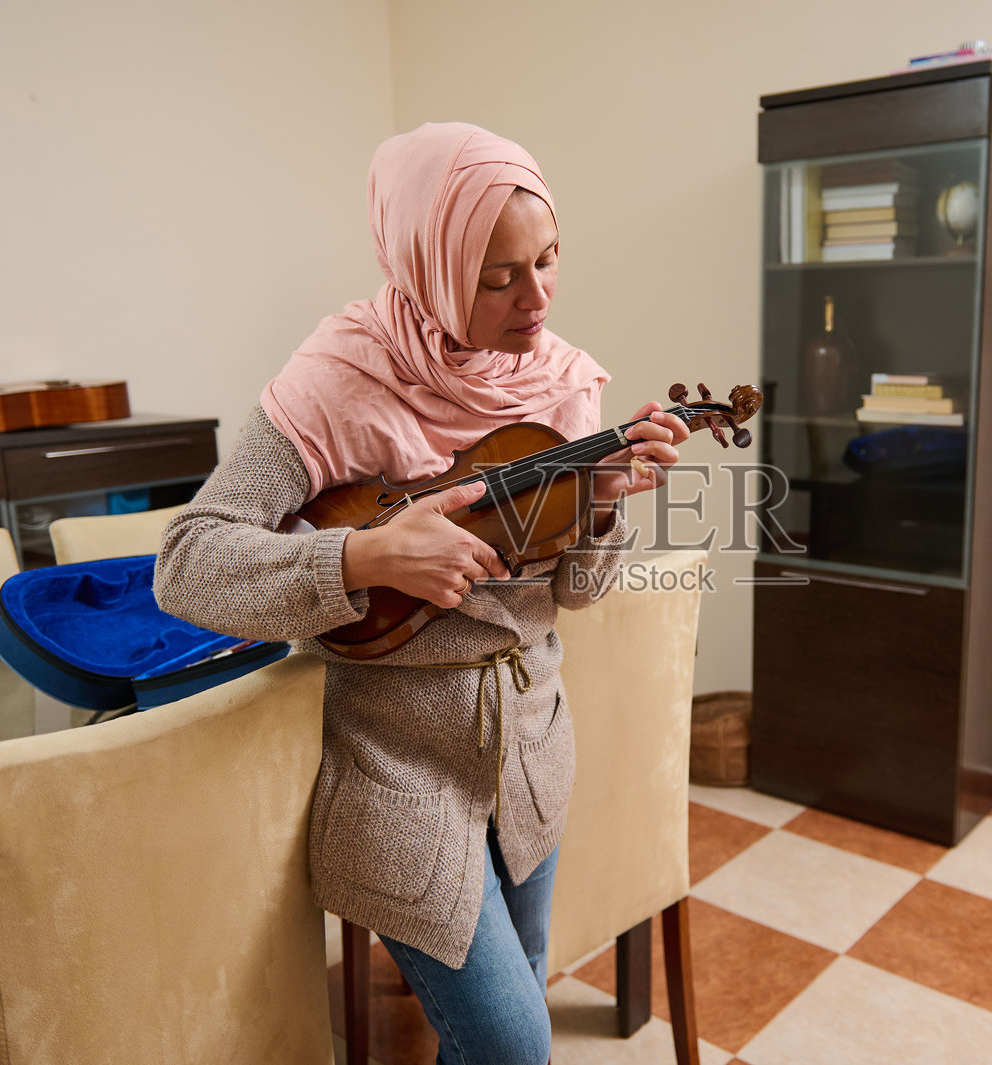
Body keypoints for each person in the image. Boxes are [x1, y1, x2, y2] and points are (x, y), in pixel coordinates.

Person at [152, 122, 686, 1065]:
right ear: (429, 265)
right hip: (394, 774)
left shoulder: (562, 383)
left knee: (491, 1036)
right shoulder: (337, 380)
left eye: (548, 261)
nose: (537, 299)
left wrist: (602, 506)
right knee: (516, 1045)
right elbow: (187, 563)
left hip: (531, 753)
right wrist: (362, 560)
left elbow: (580, 593)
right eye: (498, 277)